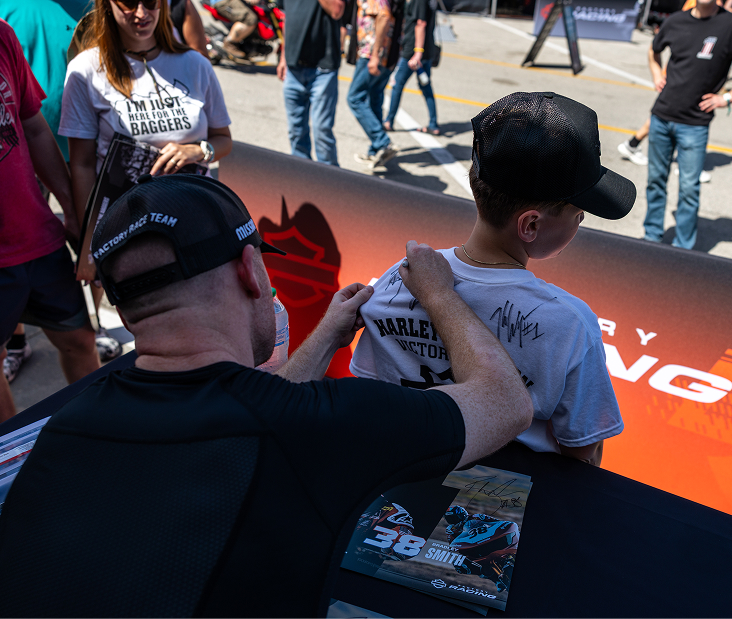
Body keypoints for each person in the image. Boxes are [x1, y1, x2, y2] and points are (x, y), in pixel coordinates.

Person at [0, 174, 532, 616]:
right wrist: (439, 293)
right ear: (251, 270)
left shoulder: (69, 424)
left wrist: (327, 332)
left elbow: (242, 417)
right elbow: (505, 403)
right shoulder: (318, 427)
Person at [350, 92, 631, 464]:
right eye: (579, 213)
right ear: (530, 224)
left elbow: (369, 390)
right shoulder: (569, 322)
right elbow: (583, 451)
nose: (581, 221)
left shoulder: (397, 279)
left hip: (398, 471)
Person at [60, 0, 232, 360]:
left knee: (199, 336)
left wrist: (197, 150)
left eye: (152, 2)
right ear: (107, 5)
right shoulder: (86, 70)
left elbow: (223, 139)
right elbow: (82, 164)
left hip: (191, 224)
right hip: (126, 229)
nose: (142, 13)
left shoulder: (195, 64)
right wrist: (90, 243)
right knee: (152, 343)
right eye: (128, 3)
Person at [0, 20, 100, 422]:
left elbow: (33, 125)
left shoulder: (3, 36)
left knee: (80, 340)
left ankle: (97, 432)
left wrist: (72, 208)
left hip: (37, 237)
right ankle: (12, 463)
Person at [643, 0, 732, 250]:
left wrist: (729, 97)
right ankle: (651, 238)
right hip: (662, 116)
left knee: (689, 189)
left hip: (695, 124)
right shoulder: (676, 20)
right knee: (655, 181)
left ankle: (682, 248)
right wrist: (657, 75)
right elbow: (653, 50)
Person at [276, 0, 344, 166]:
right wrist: (284, 57)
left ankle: (329, 180)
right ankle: (303, 178)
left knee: (322, 131)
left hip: (323, 68)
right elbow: (287, 19)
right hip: (294, 67)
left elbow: (337, 10)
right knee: (296, 130)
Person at [348, 0, 402, 169]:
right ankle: (375, 150)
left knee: (354, 98)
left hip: (372, 56)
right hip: (386, 56)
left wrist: (375, 55)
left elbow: (384, 18)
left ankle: (382, 142)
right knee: (375, 100)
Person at [383, 0, 440, 135]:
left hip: (413, 50)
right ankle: (433, 123)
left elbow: (421, 23)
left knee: (398, 83)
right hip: (425, 49)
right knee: (425, 86)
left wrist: (417, 53)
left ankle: (388, 121)